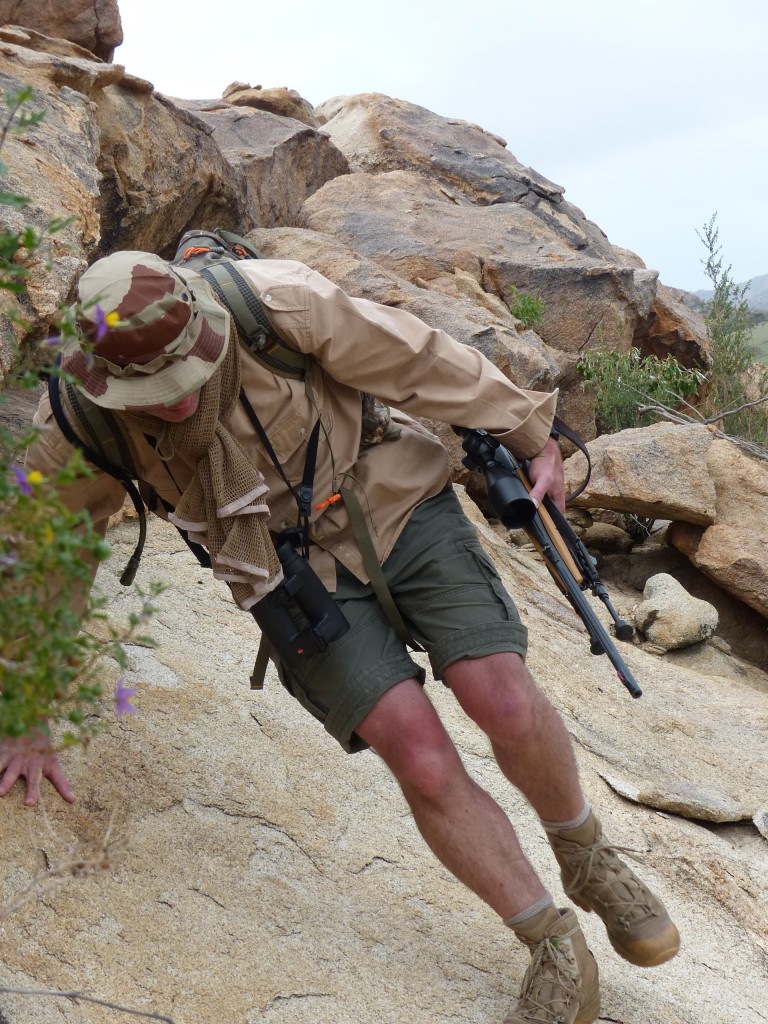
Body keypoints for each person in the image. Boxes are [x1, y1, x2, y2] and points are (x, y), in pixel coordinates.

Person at [0, 251, 679, 1023]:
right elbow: (45, 562)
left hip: (390, 492)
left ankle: (587, 857)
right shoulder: (81, 426)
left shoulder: (275, 305)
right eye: (154, 394)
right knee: (418, 753)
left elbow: (417, 358)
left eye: (186, 375)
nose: (180, 403)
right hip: (284, 574)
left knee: (501, 695)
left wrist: (530, 432)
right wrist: (27, 715)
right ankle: (550, 942)